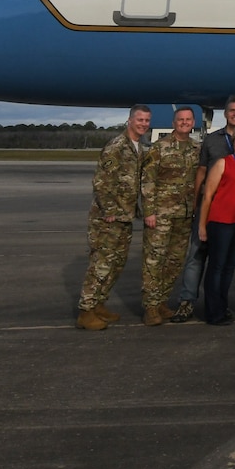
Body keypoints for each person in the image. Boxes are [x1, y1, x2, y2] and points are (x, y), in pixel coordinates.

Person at [173, 97, 235, 322]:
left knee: (223, 262)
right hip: (210, 208)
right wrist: (196, 204)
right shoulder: (212, 140)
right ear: (225, 113)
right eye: (232, 110)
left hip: (234, 212)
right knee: (197, 256)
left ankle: (217, 304)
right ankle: (187, 303)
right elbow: (201, 173)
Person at [76, 104, 151, 330]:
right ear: (129, 120)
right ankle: (86, 311)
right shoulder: (117, 146)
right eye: (140, 120)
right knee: (101, 263)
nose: (144, 124)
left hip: (125, 217)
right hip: (108, 218)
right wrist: (109, 210)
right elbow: (101, 182)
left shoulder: (140, 147)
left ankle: (99, 304)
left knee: (116, 263)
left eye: (147, 121)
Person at [140, 107, 201, 326]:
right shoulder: (159, 147)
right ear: (174, 122)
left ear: (193, 122)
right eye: (180, 119)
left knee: (175, 261)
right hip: (161, 214)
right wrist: (149, 212)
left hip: (184, 215)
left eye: (188, 119)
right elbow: (148, 181)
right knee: (154, 261)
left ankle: (162, 301)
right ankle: (150, 307)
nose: (184, 123)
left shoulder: (196, 148)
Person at [197, 126, 235, 326]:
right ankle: (213, 311)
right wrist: (202, 226)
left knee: (229, 267)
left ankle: (222, 306)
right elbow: (208, 196)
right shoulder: (223, 163)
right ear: (234, 143)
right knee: (217, 266)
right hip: (221, 222)